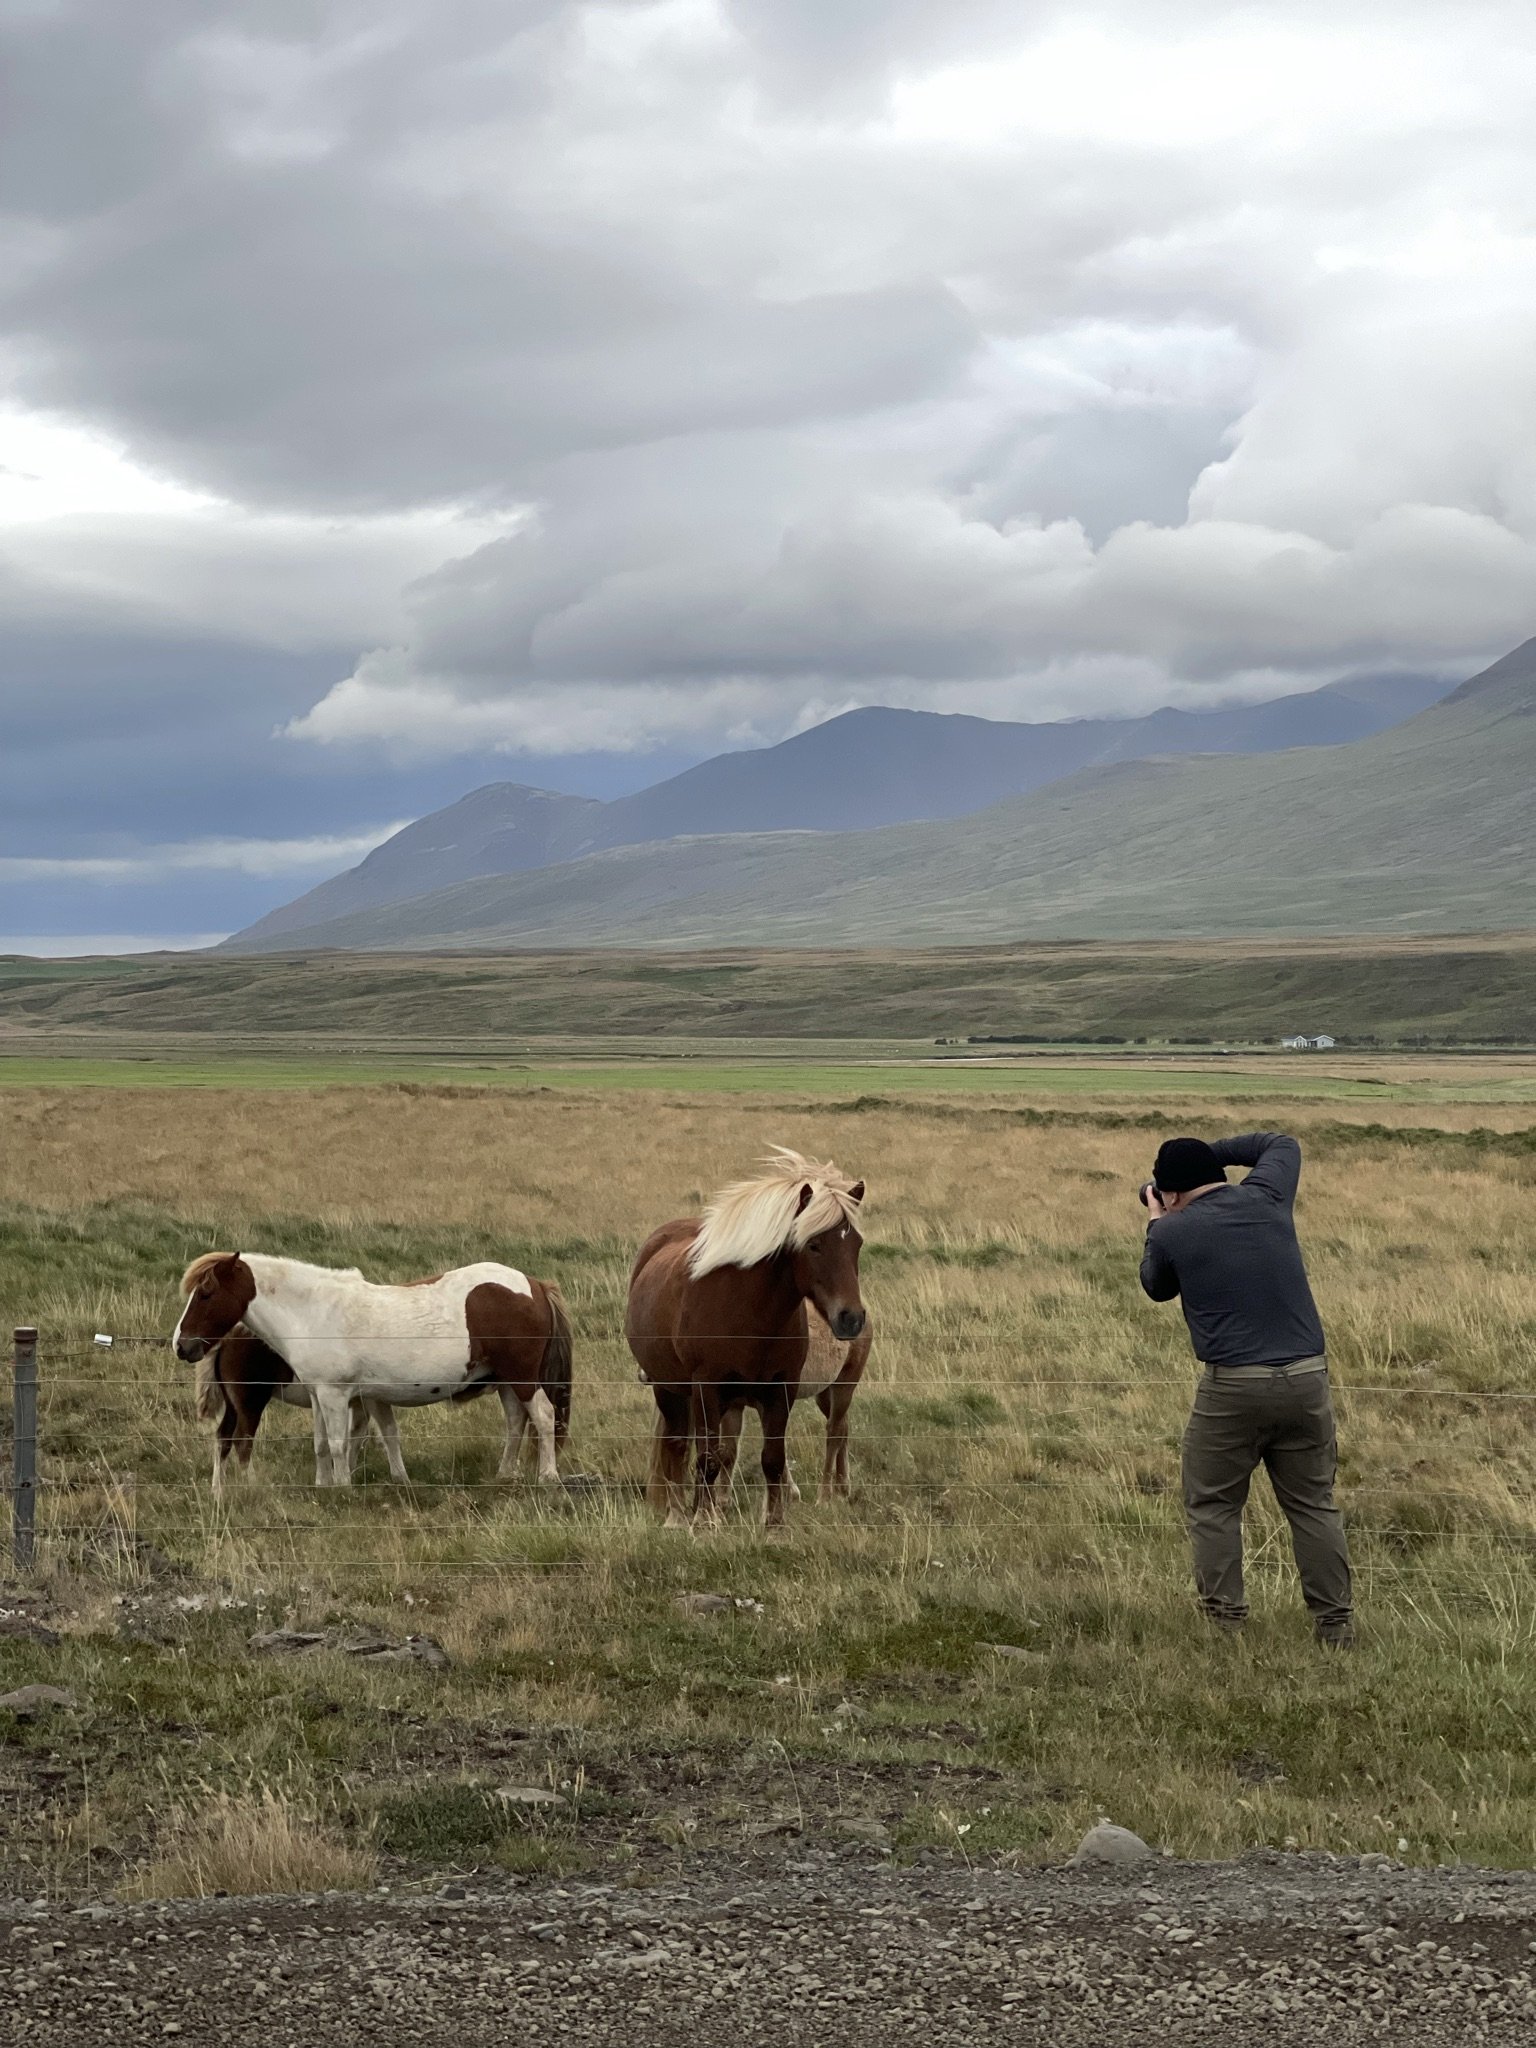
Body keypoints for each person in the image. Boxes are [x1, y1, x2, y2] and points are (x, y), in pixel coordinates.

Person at [1138, 1133, 1354, 1646]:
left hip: (1232, 1385)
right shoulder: (1267, 1195)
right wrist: (1209, 1154)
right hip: (1306, 1376)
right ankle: (1335, 1626)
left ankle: (1225, 1626)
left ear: (1168, 1193)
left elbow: (1156, 1286)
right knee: (1313, 1505)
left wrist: (1154, 1225)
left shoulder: (1173, 1229)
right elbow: (1280, 1143)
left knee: (1212, 1505)